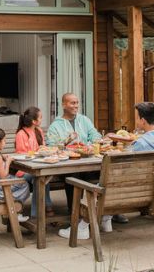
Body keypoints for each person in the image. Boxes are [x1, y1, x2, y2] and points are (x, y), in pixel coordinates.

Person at [50, 94, 122, 239]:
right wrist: (66, 141)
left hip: (87, 161)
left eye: (77, 103)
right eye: (72, 103)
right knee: (72, 179)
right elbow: (51, 145)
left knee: (100, 175)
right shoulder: (55, 125)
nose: (76, 106)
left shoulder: (84, 120)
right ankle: (75, 216)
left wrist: (99, 141)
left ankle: (104, 215)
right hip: (68, 164)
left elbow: (94, 136)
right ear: (63, 105)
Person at [0, 127, 30, 222]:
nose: (5, 143)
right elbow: (3, 176)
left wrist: (1, 159)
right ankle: (16, 209)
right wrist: (7, 162)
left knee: (18, 181)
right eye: (4, 141)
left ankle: (12, 208)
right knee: (24, 184)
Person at [14, 107, 54, 218]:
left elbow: (43, 148)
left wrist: (45, 150)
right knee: (39, 179)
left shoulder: (38, 131)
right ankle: (37, 214)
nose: (42, 119)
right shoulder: (21, 134)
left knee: (42, 177)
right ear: (34, 121)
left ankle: (44, 208)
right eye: (40, 117)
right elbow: (21, 156)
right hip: (24, 171)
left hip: (39, 167)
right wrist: (37, 153)